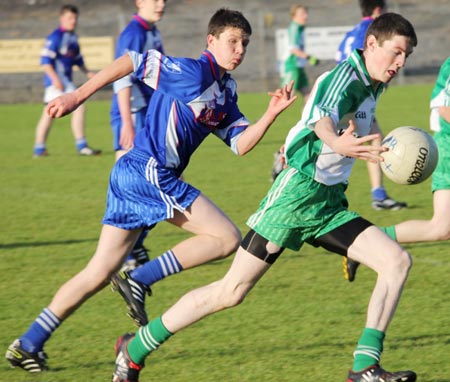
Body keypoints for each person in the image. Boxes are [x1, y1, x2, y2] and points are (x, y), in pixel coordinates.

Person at [106, 12, 419, 382]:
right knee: (230, 291)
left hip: (328, 204)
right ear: (371, 44)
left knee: (396, 262)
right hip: (295, 197)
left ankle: (364, 367)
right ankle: (135, 348)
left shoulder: (372, 83)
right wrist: (337, 141)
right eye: (396, 52)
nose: (400, 63)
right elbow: (321, 116)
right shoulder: (344, 77)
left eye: (406, 57)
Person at [5, 8, 297, 374]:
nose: (239, 50)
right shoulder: (192, 71)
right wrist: (76, 96)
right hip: (147, 171)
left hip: (135, 175)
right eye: (232, 41)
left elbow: (239, 144)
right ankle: (140, 278)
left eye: (245, 44)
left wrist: (271, 114)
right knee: (225, 238)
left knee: (99, 271)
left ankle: (28, 344)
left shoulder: (225, 90)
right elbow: (132, 60)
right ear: (211, 41)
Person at [346, 56, 450, 282]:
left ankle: (369, 240)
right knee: (442, 227)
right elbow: (445, 108)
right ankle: (367, 241)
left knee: (442, 229)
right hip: (448, 149)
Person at [110, 0, 166, 272]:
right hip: (132, 115)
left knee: (158, 182)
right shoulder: (133, 32)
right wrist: (126, 123)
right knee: (133, 186)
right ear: (139, 2)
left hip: (147, 115)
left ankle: (134, 245)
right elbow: (121, 77)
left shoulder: (152, 31)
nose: (161, 3)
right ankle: (125, 251)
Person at [336, 0, 407, 212]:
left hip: (344, 93)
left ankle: (379, 194)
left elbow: (338, 59)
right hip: (355, 96)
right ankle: (378, 196)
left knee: (372, 138)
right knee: (372, 140)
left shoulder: (350, 34)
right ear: (378, 10)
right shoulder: (370, 34)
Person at [33, 4, 101, 157]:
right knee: (75, 107)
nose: (73, 21)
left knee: (49, 114)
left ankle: (39, 148)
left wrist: (88, 72)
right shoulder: (55, 37)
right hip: (58, 83)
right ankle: (81, 145)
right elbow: (45, 62)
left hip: (64, 83)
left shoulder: (72, 37)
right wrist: (55, 80)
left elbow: (78, 59)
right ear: (61, 18)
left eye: (75, 18)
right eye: (70, 18)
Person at [280, 4, 319, 102]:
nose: (305, 16)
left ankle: (308, 117)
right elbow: (293, 49)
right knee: (286, 98)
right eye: (302, 14)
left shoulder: (300, 28)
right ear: (293, 16)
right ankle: (268, 117)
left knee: (308, 96)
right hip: (291, 66)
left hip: (299, 67)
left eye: (306, 13)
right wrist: (309, 57)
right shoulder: (294, 28)